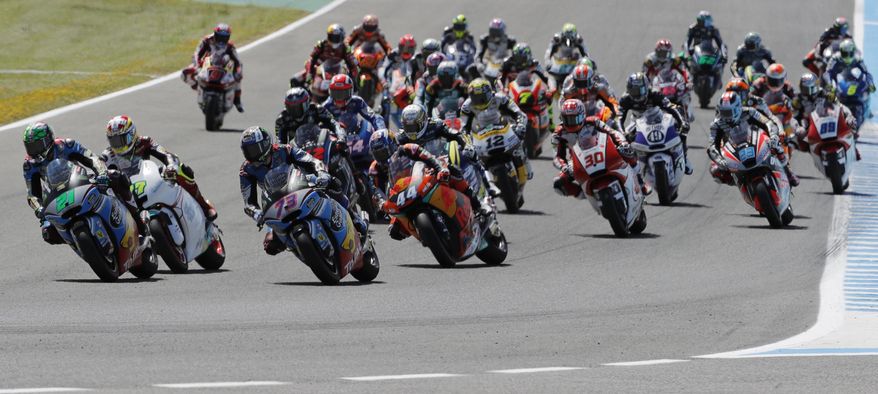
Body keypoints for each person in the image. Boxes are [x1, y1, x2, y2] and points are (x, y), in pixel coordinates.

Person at [238, 126, 367, 255]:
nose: (252, 154)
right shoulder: (246, 170)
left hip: (301, 183)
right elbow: (248, 203)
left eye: (255, 149)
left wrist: (321, 173)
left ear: (266, 143)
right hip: (275, 200)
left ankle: (355, 219)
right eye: (248, 151)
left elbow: (311, 160)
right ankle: (301, 249)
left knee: (333, 186)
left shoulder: (284, 150)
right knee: (270, 246)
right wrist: (258, 215)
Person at [22, 122, 147, 245]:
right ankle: (77, 243)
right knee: (48, 233)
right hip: (56, 194)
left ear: (48, 139)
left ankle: (138, 220)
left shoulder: (66, 145)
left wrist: (102, 173)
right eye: (30, 147)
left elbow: (91, 158)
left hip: (80, 180)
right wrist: (39, 208)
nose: (34, 151)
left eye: (37, 145)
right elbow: (32, 194)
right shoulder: (29, 165)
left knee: (115, 176)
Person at [101, 115, 217, 220]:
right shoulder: (108, 155)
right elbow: (99, 169)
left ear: (131, 135)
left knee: (182, 170)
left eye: (121, 140)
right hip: (126, 190)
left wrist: (171, 165)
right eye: (113, 141)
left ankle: (204, 206)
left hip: (149, 178)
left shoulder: (144, 142)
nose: (118, 145)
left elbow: (166, 154)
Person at [394, 104, 488, 214]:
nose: (411, 131)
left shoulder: (435, 125)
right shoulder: (400, 137)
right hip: (416, 169)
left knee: (456, 172)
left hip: (440, 160)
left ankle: (478, 205)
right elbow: (394, 158)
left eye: (414, 127)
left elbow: (456, 134)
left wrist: (466, 145)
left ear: (423, 122)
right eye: (408, 127)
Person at [381, 143, 481, 241]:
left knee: (452, 170)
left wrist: (440, 169)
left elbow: (427, 156)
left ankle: (477, 205)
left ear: (392, 144)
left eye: (383, 152)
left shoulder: (407, 148)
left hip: (427, 174)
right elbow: (393, 191)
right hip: (410, 191)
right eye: (379, 155)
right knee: (395, 231)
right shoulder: (389, 167)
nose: (382, 157)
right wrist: (393, 220)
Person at [552, 99, 638, 198]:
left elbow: (613, 132)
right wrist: (564, 167)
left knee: (626, 150)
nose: (570, 123)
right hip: (577, 162)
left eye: (573, 119)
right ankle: (585, 194)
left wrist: (622, 143)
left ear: (582, 115)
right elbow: (556, 156)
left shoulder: (594, 121)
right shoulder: (558, 133)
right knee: (558, 183)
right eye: (566, 119)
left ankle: (639, 178)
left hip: (601, 151)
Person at [708, 91, 798, 186]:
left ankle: (788, 173)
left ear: (737, 108)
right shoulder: (716, 125)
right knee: (715, 171)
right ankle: (739, 183)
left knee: (777, 145)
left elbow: (768, 122)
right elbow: (711, 146)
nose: (726, 116)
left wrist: (773, 136)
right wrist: (720, 161)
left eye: (728, 112)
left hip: (756, 142)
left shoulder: (750, 112)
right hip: (733, 151)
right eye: (723, 112)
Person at [460, 79, 532, 188]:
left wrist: (521, 125)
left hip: (502, 127)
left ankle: (526, 163)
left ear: (489, 93)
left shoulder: (500, 98)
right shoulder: (467, 106)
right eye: (475, 98)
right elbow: (464, 128)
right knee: (471, 157)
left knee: (518, 135)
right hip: (481, 133)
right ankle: (486, 187)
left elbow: (519, 113)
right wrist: (467, 143)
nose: (479, 101)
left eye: (481, 97)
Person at [618, 72, 692, 174]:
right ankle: (630, 168)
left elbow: (671, 107)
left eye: (641, 90)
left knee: (678, 129)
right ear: (629, 90)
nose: (638, 94)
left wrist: (682, 122)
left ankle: (684, 156)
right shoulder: (625, 99)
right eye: (634, 91)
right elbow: (618, 117)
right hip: (636, 122)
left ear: (647, 87)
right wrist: (622, 133)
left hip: (657, 118)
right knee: (622, 143)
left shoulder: (655, 93)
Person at [791, 72, 859, 158]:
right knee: (794, 141)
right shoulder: (798, 101)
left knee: (851, 127)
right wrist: (797, 127)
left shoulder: (825, 94)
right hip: (810, 127)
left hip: (828, 121)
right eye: (805, 89)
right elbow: (793, 117)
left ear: (816, 86)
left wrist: (849, 116)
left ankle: (853, 147)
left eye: (811, 89)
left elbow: (840, 106)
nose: (809, 93)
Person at [181, 23, 244, 112]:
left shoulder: (230, 46)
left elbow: (238, 62)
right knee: (185, 73)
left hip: (224, 66)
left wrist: (237, 72)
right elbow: (197, 54)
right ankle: (198, 86)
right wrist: (197, 65)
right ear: (215, 34)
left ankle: (237, 100)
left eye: (224, 37)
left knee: (238, 76)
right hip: (207, 63)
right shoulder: (206, 40)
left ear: (228, 37)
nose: (222, 39)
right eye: (220, 36)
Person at [275, 87, 345, 145]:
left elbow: (334, 123)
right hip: (297, 152)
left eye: (298, 107)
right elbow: (279, 141)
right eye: (291, 107)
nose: (295, 111)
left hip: (319, 144)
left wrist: (341, 137)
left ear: (306, 103)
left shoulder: (317, 109)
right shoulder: (282, 119)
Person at [323, 74, 387, 136]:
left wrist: (381, 130)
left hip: (356, 136)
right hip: (336, 140)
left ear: (351, 91)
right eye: (336, 94)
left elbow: (374, 117)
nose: (339, 98)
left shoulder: (357, 101)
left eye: (342, 94)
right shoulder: (326, 106)